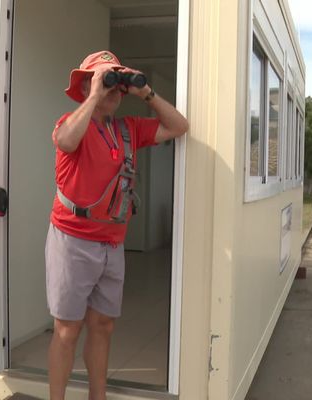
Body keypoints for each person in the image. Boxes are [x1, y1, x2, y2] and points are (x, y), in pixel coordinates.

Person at [45, 50, 189, 400]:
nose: (112, 92)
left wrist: (146, 93)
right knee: (67, 329)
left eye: (115, 86)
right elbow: (66, 141)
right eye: (103, 81)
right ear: (84, 87)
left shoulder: (128, 130)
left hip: (112, 243)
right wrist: (95, 93)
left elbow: (179, 126)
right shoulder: (71, 122)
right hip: (72, 239)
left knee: (104, 326)